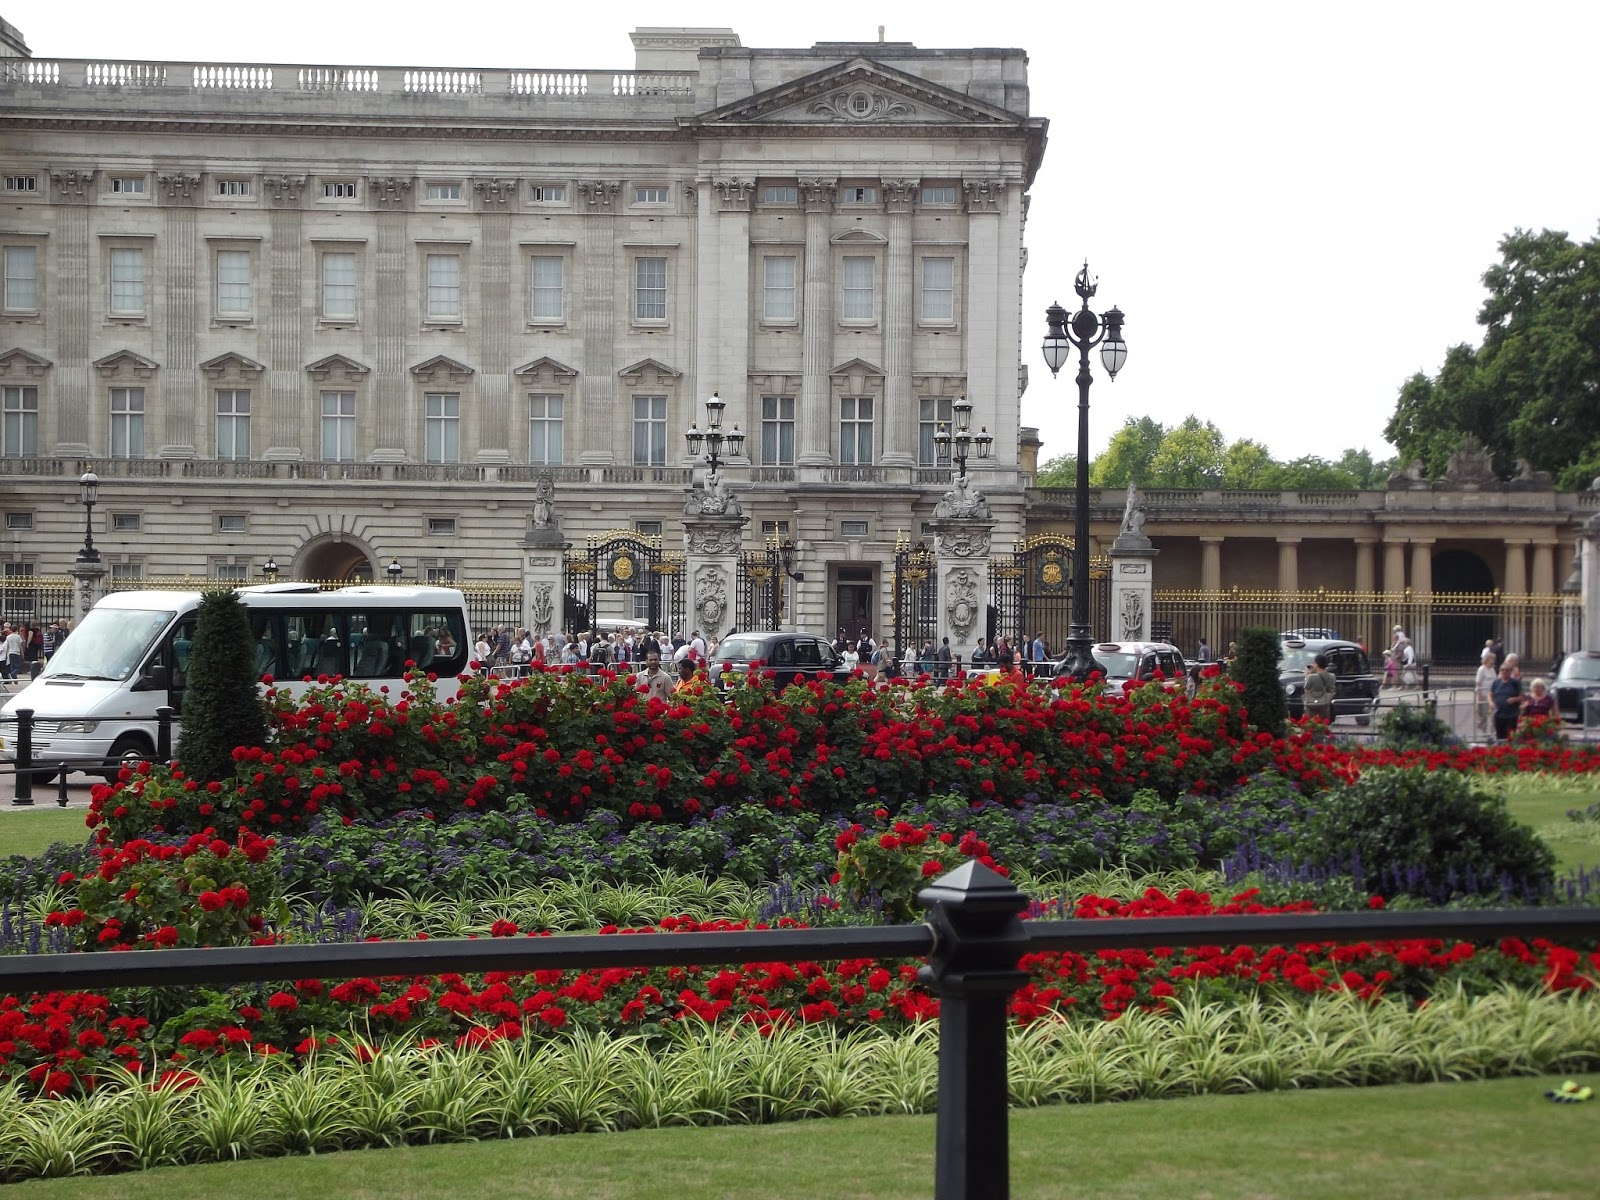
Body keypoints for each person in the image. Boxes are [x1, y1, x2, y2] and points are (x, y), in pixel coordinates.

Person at [1490, 662, 1523, 742]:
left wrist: (1514, 699)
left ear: (1510, 671)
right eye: (1502, 670)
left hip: (1511, 714)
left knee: (1510, 735)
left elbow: (1522, 697)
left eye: (1507, 670)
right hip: (1499, 713)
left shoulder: (1515, 683)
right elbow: (1490, 694)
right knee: (1500, 736)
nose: (1504, 672)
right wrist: (1491, 702)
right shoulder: (1496, 682)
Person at [1303, 653, 1336, 724]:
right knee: (1324, 725)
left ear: (1316, 664)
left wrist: (1307, 676)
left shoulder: (1311, 677)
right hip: (1325, 704)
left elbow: (1306, 689)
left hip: (1312, 705)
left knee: (1312, 724)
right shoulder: (1332, 676)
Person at [1473, 650, 1497, 738]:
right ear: (1487, 660)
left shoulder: (1492, 669)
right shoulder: (1482, 669)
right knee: (1484, 714)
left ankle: (1491, 731)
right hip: (1483, 694)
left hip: (1491, 694)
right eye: (1492, 659)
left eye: (1494, 660)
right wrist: (1479, 695)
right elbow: (1478, 683)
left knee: (1493, 713)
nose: (1493, 661)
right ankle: (1483, 729)